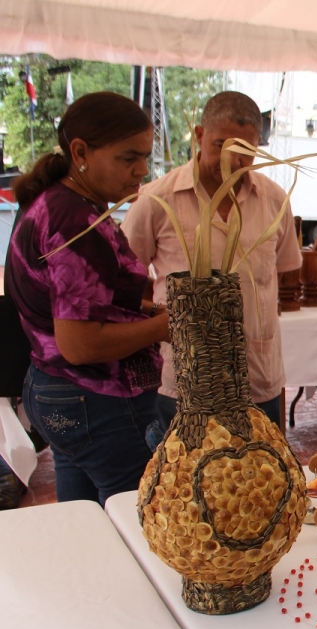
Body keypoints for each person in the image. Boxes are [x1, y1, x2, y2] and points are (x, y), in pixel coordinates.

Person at [5, 92, 170, 506]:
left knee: (85, 519)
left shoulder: (54, 203)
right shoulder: (76, 223)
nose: (141, 170)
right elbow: (79, 344)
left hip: (53, 390)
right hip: (96, 398)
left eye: (145, 157)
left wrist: (149, 310)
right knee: (142, 520)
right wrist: (169, 325)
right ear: (80, 151)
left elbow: (85, 302)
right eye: (127, 157)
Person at [123, 90, 302, 431]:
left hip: (257, 376)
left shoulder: (274, 200)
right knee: (184, 480)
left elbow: (283, 275)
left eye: (246, 151)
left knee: (262, 477)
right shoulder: (157, 200)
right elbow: (120, 284)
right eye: (221, 145)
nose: (232, 162)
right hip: (185, 380)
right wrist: (157, 316)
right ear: (200, 136)